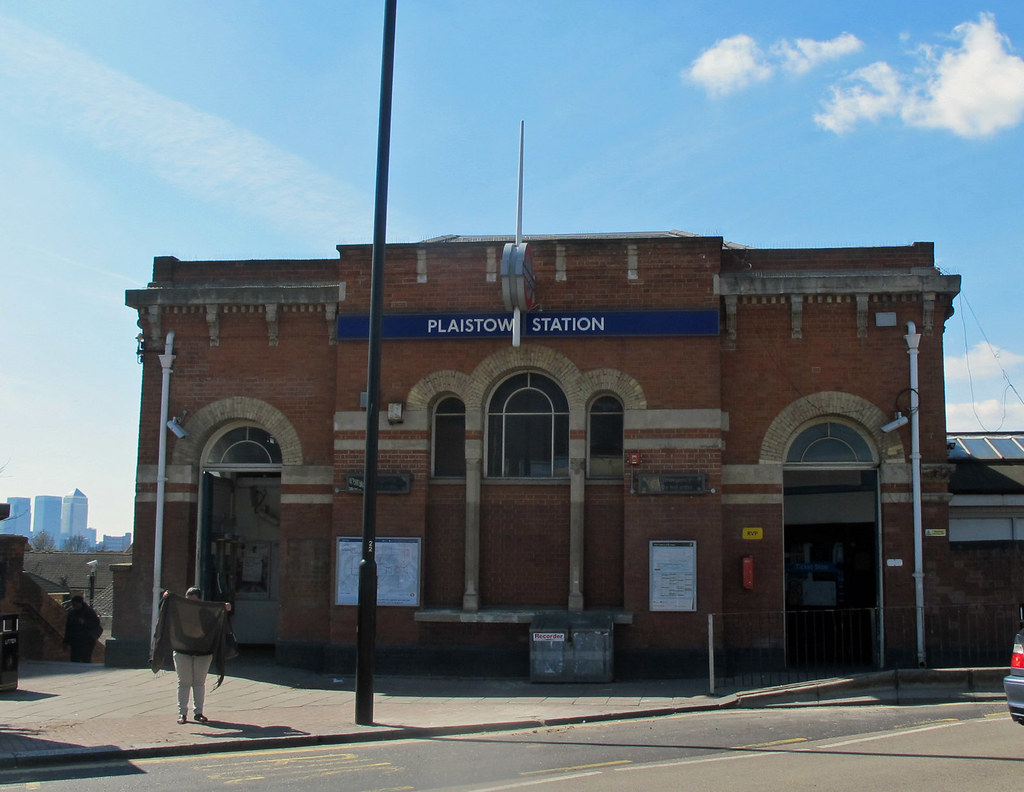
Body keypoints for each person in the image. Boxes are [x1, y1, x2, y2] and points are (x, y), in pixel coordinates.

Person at [151, 587, 233, 725]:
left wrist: (226, 609)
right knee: (184, 682)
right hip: (182, 650)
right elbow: (165, 609)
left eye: (194, 601)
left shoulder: (208, 613)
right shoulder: (179, 611)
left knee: (199, 682)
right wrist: (164, 598)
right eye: (188, 601)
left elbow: (220, 619)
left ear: (200, 600)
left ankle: (198, 712)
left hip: (203, 652)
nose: (191, 605)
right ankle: (182, 713)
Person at [63, 595, 102, 663]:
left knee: (86, 659)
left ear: (80, 603)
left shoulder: (89, 612)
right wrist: (66, 641)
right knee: (74, 659)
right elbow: (68, 627)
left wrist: (85, 623)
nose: (74, 606)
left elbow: (96, 625)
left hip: (87, 641)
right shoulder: (72, 613)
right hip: (75, 641)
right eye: (73, 605)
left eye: (75, 604)